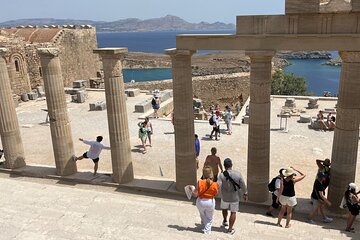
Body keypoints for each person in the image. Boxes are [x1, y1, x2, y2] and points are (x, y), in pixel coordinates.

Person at [218, 158, 247, 235]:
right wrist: (245, 193)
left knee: (224, 208)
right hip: (235, 197)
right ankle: (230, 229)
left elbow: (218, 185)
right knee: (233, 212)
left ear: (224, 166)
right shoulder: (238, 174)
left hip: (225, 196)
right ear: (231, 165)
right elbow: (243, 185)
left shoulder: (221, 175)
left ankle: (225, 220)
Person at [190, 166, 219, 235]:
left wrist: (191, 189)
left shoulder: (200, 182)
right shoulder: (215, 184)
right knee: (209, 218)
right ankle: (207, 232)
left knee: (202, 215)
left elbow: (195, 194)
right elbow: (216, 194)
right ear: (211, 174)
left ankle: (204, 224)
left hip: (200, 201)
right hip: (210, 202)